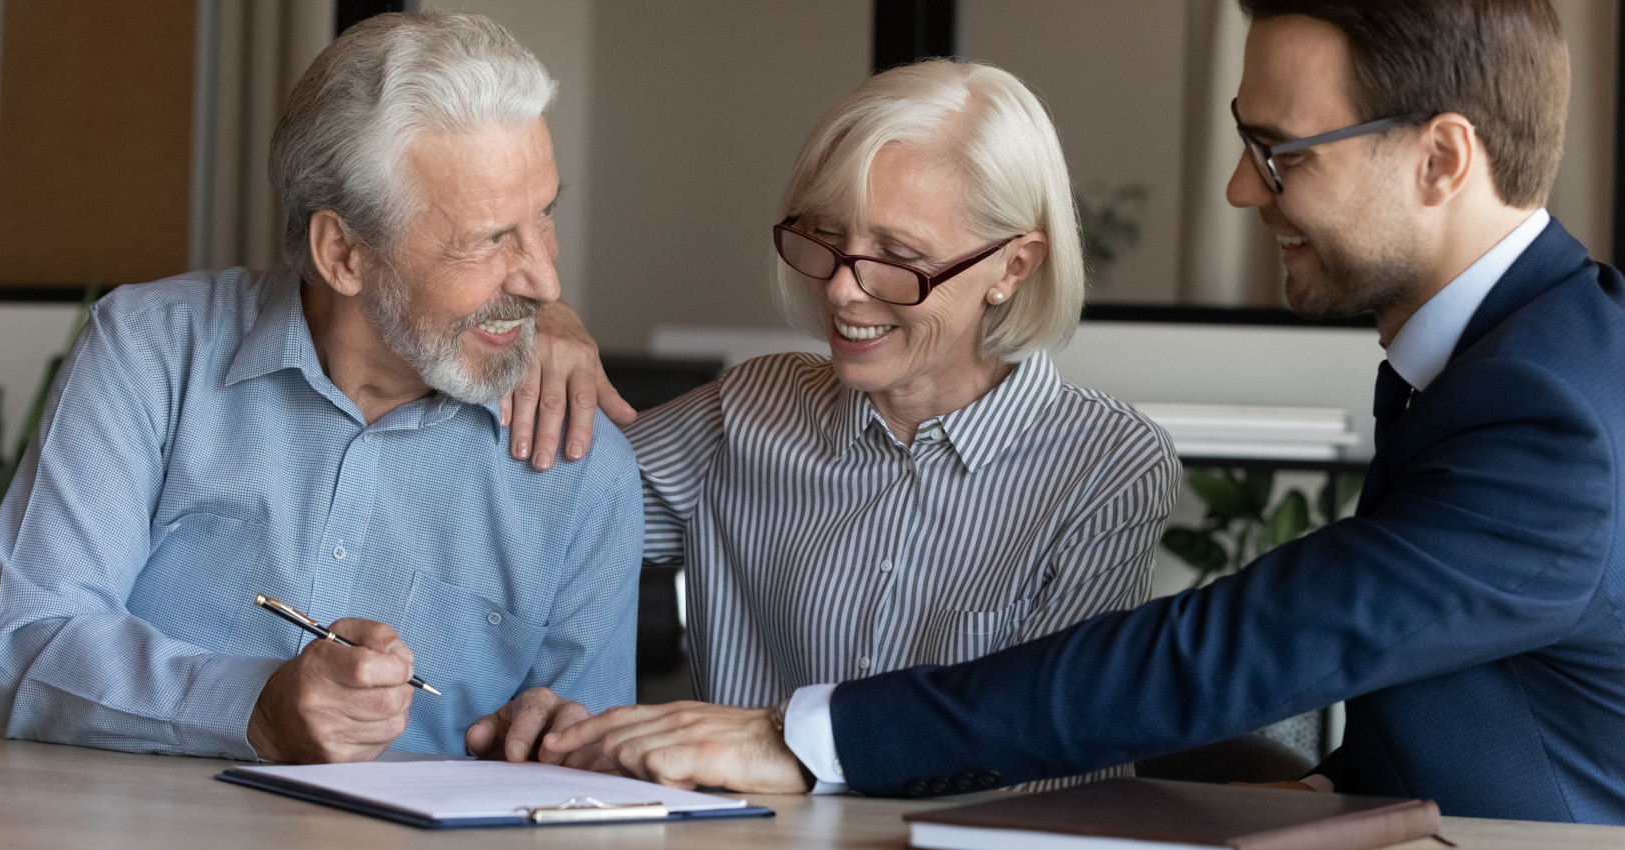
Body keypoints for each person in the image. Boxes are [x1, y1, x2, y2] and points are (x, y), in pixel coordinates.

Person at [547, 0, 1625, 824]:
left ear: (1440, 159)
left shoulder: (1548, 417)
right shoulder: (1519, 354)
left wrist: (811, 735)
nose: (1241, 194)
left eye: (1279, 154)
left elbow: (1239, 648)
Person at [493, 59, 1179, 793]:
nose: (843, 291)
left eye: (898, 258)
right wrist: (532, 316)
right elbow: (516, 521)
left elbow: (1051, 743)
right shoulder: (750, 411)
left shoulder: (1108, 463)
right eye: (825, 237)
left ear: (1013, 265)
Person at [0, 11, 642, 764]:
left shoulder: (584, 465)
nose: (544, 279)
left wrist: (557, 736)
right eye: (490, 240)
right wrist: (252, 708)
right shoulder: (149, 352)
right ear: (343, 253)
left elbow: (593, 774)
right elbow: (33, 644)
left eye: (545, 215)